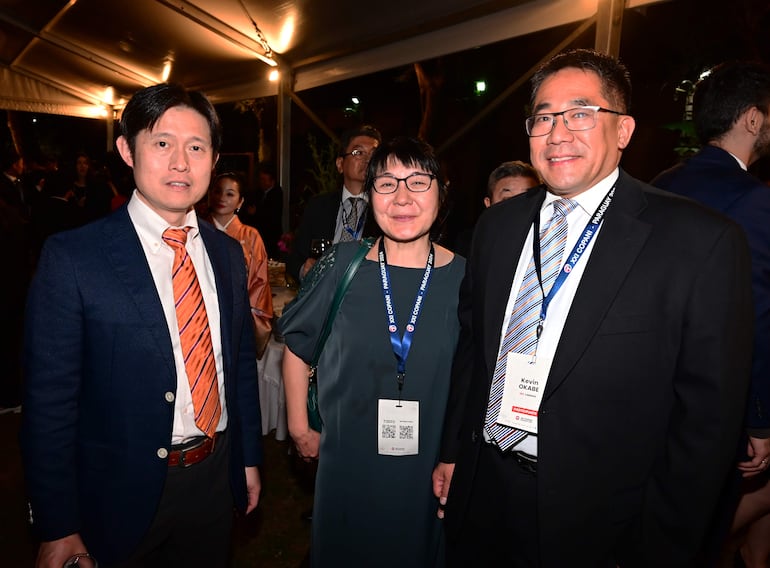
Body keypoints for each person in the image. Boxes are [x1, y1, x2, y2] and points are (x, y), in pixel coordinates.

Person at [432, 48, 754, 567]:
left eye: (581, 113)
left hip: (604, 525)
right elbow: (475, 348)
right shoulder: (496, 227)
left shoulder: (700, 242)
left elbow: (707, 426)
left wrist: (662, 544)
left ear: (623, 130)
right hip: (486, 494)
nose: (559, 133)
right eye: (544, 118)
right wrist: (454, 451)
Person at [21, 83, 263, 568]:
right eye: (162, 142)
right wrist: (58, 523)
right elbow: (49, 404)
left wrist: (248, 459)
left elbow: (236, 366)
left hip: (213, 479)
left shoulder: (227, 254)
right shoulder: (74, 259)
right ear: (127, 150)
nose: (181, 162)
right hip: (117, 492)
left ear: (213, 159)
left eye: (196, 147)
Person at [280, 137, 465, 567]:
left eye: (418, 181)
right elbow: (296, 346)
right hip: (347, 460)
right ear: (370, 194)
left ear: (442, 190)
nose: (402, 197)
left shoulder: (466, 280)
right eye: (386, 183)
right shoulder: (342, 265)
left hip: (426, 469)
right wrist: (299, 426)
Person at [652, 60, 770, 567]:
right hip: (711, 409)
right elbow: (756, 316)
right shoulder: (752, 199)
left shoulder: (659, 186)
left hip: (650, 399)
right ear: (750, 118)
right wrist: (760, 420)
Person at [286, 125, 381, 282]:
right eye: (359, 153)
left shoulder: (386, 210)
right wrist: (305, 269)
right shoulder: (318, 206)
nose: (367, 160)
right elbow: (295, 257)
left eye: (374, 155)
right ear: (340, 164)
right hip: (323, 294)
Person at [208, 170, 274, 358]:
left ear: (240, 202)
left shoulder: (251, 236)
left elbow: (259, 285)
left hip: (239, 320)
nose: (222, 198)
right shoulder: (196, 231)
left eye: (230, 194)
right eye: (217, 191)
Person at [453, 160, 541, 257]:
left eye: (526, 199)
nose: (517, 207)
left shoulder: (550, 245)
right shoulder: (469, 247)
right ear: (488, 204)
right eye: (508, 200)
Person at [254, 162, 283, 259]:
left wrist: (256, 212)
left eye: (264, 180)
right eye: (260, 179)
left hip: (271, 237)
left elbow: (272, 215)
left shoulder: (276, 194)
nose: (261, 182)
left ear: (272, 181)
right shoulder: (258, 193)